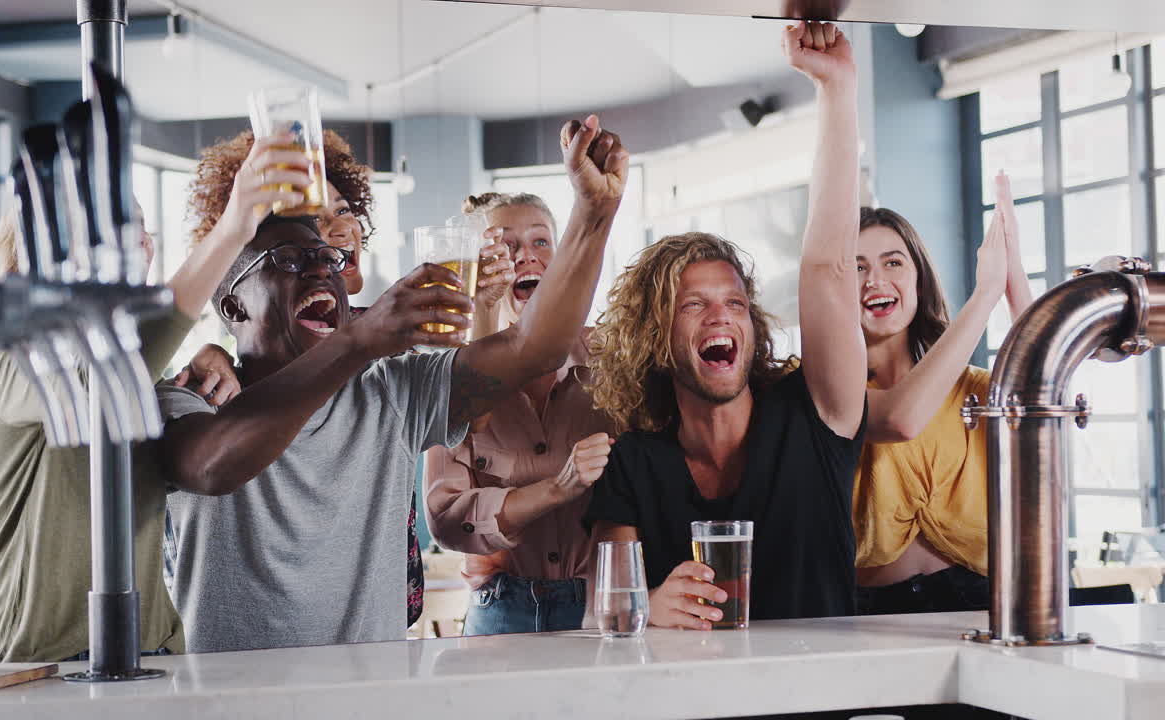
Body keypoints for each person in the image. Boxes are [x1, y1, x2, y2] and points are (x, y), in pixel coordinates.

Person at [154, 115, 628, 652]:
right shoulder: (190, 397)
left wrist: (593, 212)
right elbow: (212, 467)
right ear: (231, 302)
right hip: (228, 705)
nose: (319, 270)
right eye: (288, 259)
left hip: (372, 698)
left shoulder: (392, 389)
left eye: (327, 256)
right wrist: (362, 339)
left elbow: (535, 347)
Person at [0, 133, 311, 662]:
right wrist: (234, 226)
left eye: (142, 228)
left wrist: (188, 380)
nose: (140, 242)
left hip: (151, 652)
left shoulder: (134, 366)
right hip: (42, 663)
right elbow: (97, 385)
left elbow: (123, 400)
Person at [583, 20, 866, 629]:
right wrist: (648, 607)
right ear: (655, 338)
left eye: (735, 303)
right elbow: (599, 613)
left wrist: (837, 91)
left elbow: (829, 266)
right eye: (693, 305)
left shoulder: (817, 416)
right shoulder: (633, 461)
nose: (720, 315)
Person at [177, 128, 440, 629]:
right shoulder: (216, 378)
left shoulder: (381, 344)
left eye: (344, 211)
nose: (333, 231)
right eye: (314, 220)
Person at [423, 192, 614, 636]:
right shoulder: (448, 377)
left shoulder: (614, 358)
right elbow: (447, 517)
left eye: (541, 242)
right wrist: (554, 489)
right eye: (505, 246)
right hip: (501, 610)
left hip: (602, 604)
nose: (525, 256)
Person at [852, 173, 1031, 614]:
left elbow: (1043, 389)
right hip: (869, 614)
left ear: (919, 280)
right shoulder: (817, 388)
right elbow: (900, 418)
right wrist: (985, 293)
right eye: (856, 267)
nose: (875, 279)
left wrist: (1012, 274)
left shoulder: (973, 389)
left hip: (982, 605)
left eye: (893, 263)